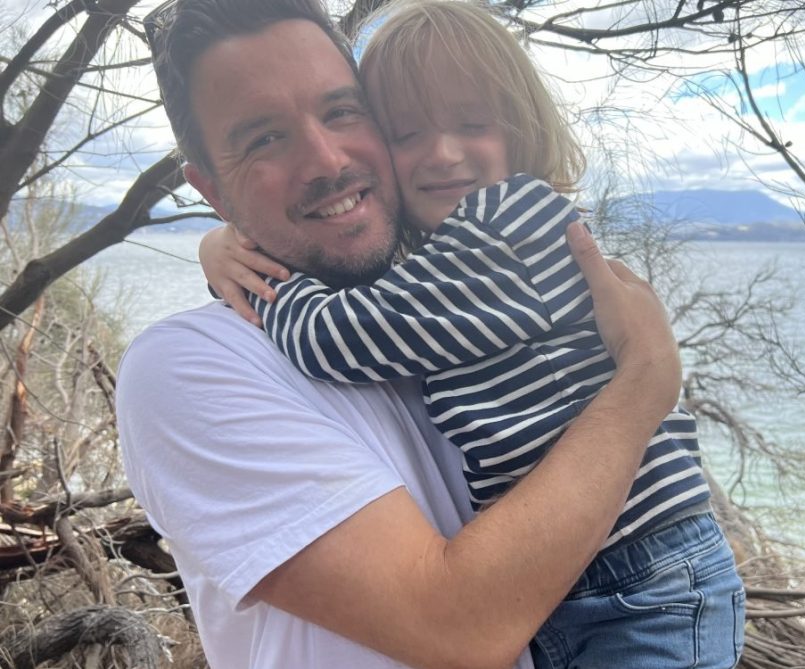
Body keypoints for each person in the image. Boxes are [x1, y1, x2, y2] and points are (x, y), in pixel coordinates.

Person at [117, 0, 695, 668]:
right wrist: (644, 384)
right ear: (212, 191)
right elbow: (459, 626)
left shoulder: (434, 305)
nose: (327, 159)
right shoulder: (185, 368)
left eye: (342, 111)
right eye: (265, 139)